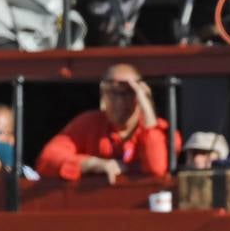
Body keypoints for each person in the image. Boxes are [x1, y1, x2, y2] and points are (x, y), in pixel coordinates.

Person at [36, 63, 181, 183]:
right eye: (113, 93)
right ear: (103, 95)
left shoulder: (163, 130)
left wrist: (148, 111)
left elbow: (156, 169)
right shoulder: (89, 123)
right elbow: (47, 160)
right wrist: (93, 164)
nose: (120, 102)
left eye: (128, 93)